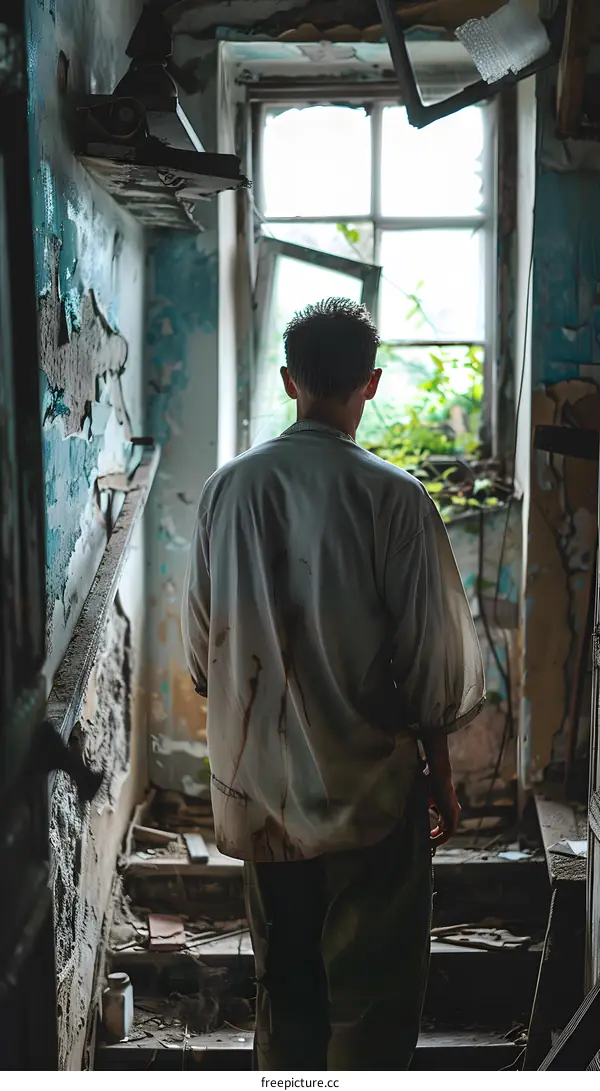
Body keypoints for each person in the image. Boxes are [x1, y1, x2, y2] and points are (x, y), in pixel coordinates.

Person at [182, 297, 485, 1071]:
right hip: (372, 795)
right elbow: (431, 673)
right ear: (372, 382)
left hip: (261, 791)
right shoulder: (396, 498)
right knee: (372, 996)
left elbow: (201, 658)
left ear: (290, 380)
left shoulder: (227, 491)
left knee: (285, 988)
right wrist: (440, 781)